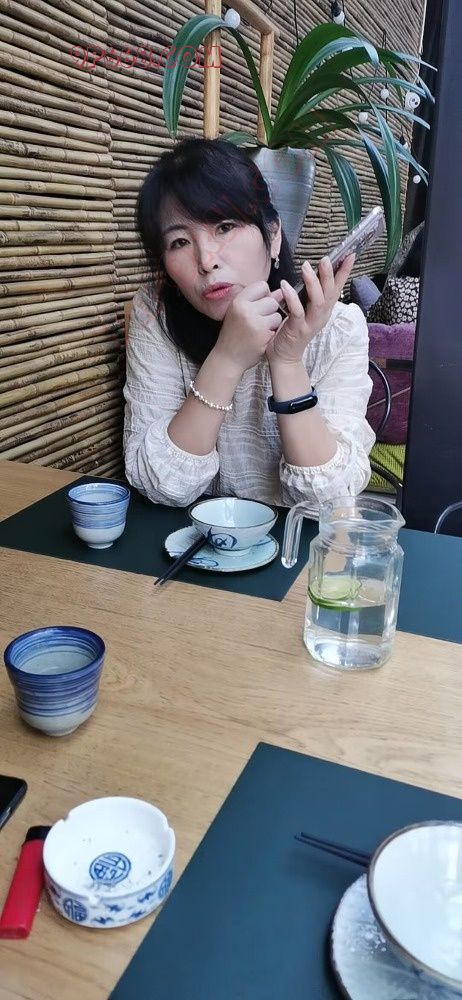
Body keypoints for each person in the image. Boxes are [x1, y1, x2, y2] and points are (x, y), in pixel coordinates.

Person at [123, 138, 375, 513]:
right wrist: (227, 357)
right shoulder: (155, 316)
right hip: (194, 540)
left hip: (295, 545)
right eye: (179, 242)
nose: (206, 260)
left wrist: (287, 360)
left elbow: (330, 501)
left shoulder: (338, 328)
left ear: (272, 236)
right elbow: (161, 484)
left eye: (225, 226)